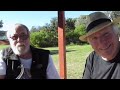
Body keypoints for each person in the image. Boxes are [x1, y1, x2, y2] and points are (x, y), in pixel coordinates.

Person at [79, 12, 120, 79]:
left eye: (106, 34)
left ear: (116, 33)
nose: (102, 42)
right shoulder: (92, 58)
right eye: (94, 38)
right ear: (90, 43)